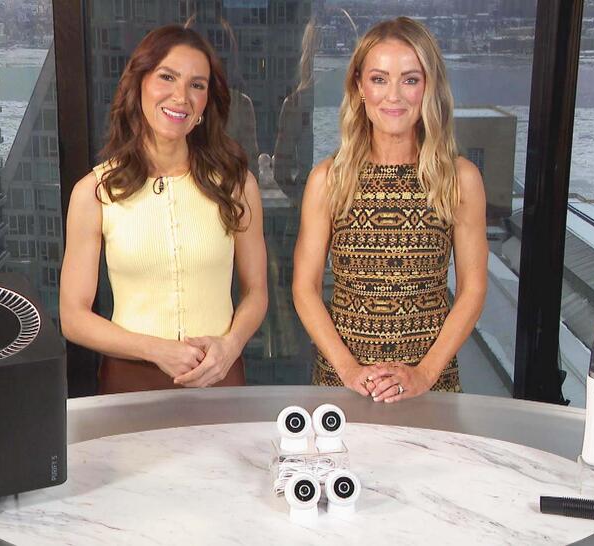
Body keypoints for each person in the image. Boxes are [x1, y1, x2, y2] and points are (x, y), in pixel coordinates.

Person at [59, 25, 267, 393]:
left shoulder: (237, 184)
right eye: (167, 77)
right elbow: (73, 317)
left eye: (197, 85)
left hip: (219, 375)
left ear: (206, 103)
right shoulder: (94, 192)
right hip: (129, 381)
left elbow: (256, 293)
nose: (181, 96)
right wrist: (156, 350)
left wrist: (230, 346)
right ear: (139, 84)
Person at [292, 17, 488, 403]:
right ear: (359, 87)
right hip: (343, 386)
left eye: (410, 80)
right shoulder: (329, 179)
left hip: (430, 387)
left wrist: (424, 374)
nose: (393, 96)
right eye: (379, 79)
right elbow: (305, 288)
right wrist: (349, 370)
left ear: (428, 88)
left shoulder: (458, 179)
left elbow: (473, 289)